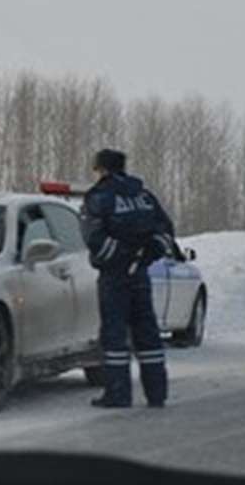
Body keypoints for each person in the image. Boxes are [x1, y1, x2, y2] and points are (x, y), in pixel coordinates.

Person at [80, 147, 181, 408]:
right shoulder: (144, 196)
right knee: (147, 333)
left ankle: (118, 394)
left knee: (114, 335)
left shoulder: (99, 198)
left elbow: (93, 237)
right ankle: (156, 393)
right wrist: (145, 256)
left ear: (101, 169)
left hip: (114, 277)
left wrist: (121, 258)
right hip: (140, 276)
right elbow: (165, 231)